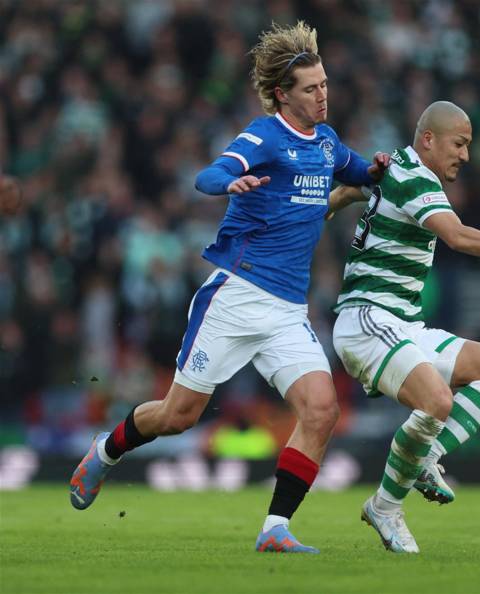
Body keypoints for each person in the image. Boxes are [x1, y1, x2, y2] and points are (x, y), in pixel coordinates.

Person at [69, 21, 390, 554]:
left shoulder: (327, 142)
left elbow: (359, 171)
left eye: (325, 85)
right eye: (311, 89)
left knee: (321, 410)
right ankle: (105, 450)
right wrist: (232, 181)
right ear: (283, 96)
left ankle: (275, 530)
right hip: (236, 296)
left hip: (288, 310)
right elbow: (207, 176)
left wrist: (377, 170)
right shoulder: (264, 135)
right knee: (178, 416)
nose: (322, 95)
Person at [330, 101, 480, 553]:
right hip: (367, 319)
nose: (465, 155)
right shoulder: (416, 178)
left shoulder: (393, 169)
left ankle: (427, 457)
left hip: (399, 323)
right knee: (437, 401)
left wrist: (331, 203)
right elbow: (456, 236)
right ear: (429, 140)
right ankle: (386, 508)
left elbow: (354, 192)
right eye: (459, 144)